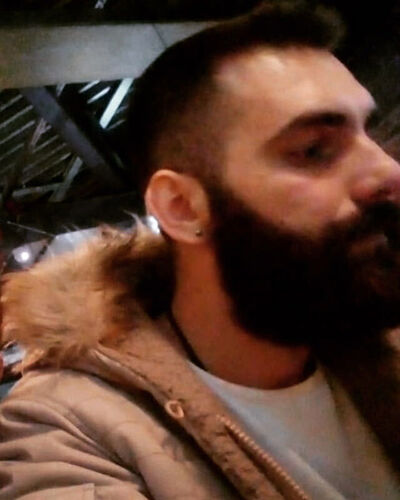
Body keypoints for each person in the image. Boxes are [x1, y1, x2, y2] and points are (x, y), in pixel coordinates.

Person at [1, 2, 400, 498]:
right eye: (314, 150)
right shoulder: (66, 430)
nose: (389, 173)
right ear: (183, 208)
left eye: (370, 135)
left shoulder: (372, 330)